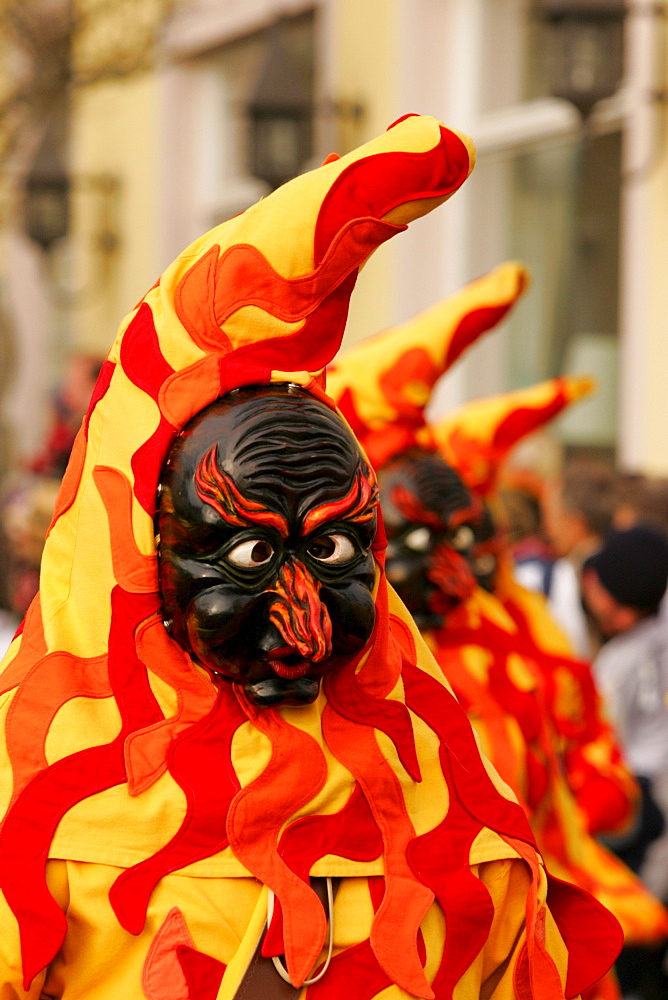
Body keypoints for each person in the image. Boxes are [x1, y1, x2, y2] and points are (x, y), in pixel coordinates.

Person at [0, 115, 621, 1000]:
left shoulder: (461, 814)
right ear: (144, 558)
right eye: (249, 549)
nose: (307, 614)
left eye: (333, 546)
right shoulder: (32, 817)